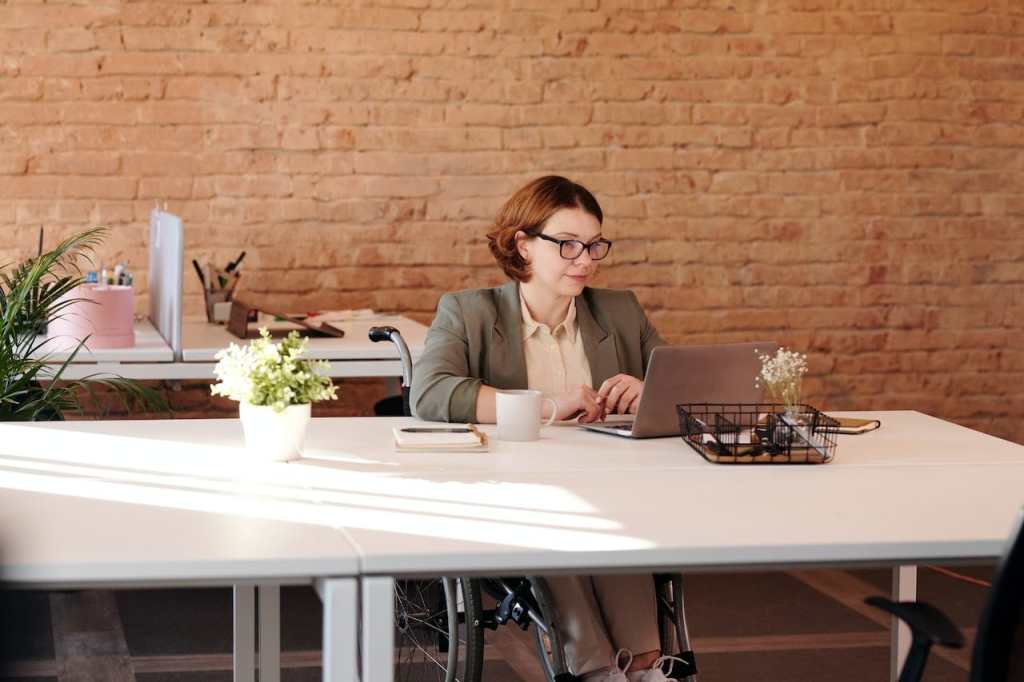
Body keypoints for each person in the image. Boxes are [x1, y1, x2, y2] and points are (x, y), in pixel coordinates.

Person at [412, 176, 683, 681]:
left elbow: (683, 386)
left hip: (611, 490)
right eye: (568, 245)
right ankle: (598, 670)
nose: (586, 259)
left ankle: (645, 668)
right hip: (515, 495)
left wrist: (651, 390)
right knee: (564, 525)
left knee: (612, 523)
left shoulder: (619, 310)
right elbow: (430, 394)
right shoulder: (470, 312)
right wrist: (546, 406)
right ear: (523, 244)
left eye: (594, 244)